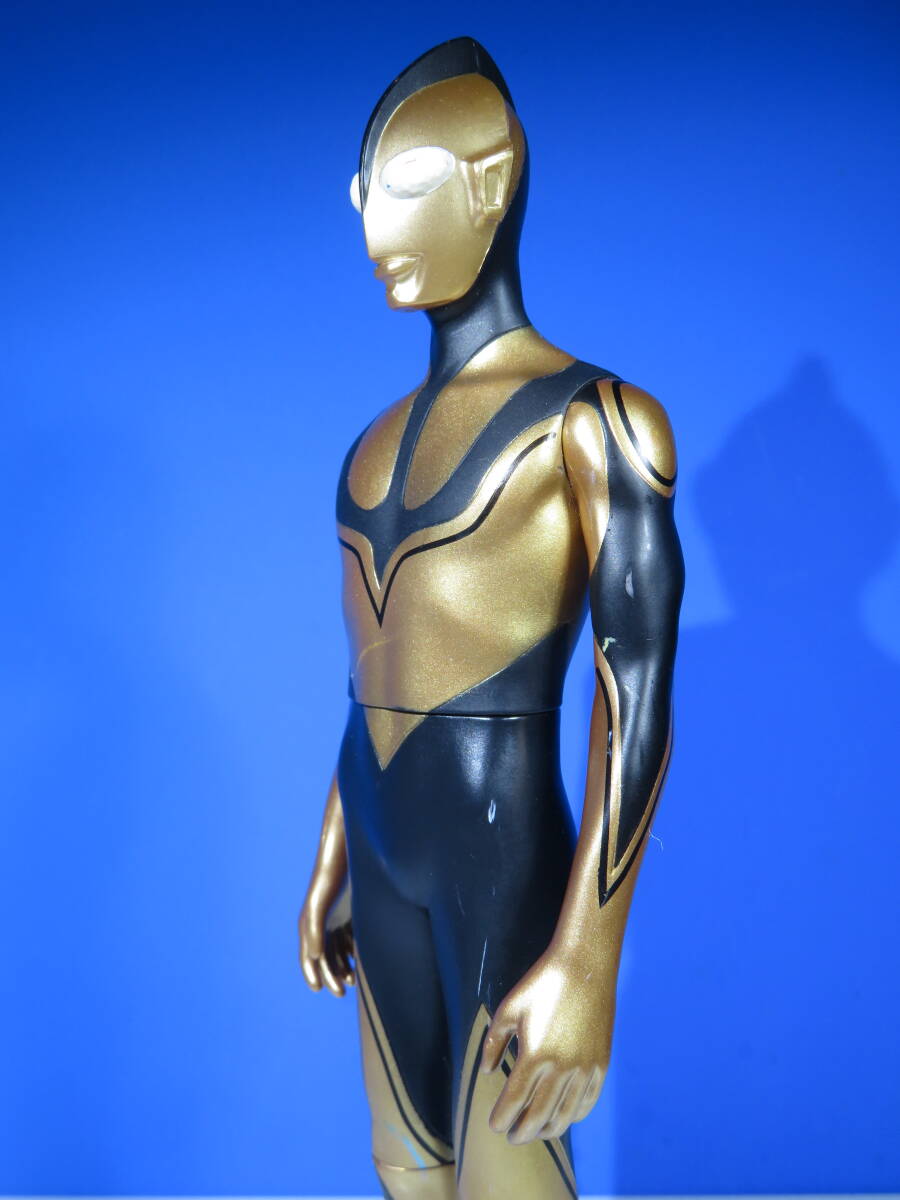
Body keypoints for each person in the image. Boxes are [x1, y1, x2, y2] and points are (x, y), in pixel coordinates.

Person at [298, 37, 684, 1200]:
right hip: (378, 852)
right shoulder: (366, 446)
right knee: (406, 1172)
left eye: (408, 186)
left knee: (505, 1181)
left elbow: (636, 691)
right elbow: (372, 676)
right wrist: (331, 857)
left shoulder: (599, 422)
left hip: (503, 860)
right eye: (365, 196)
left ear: (493, 180)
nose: (377, 229)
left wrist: (587, 959)